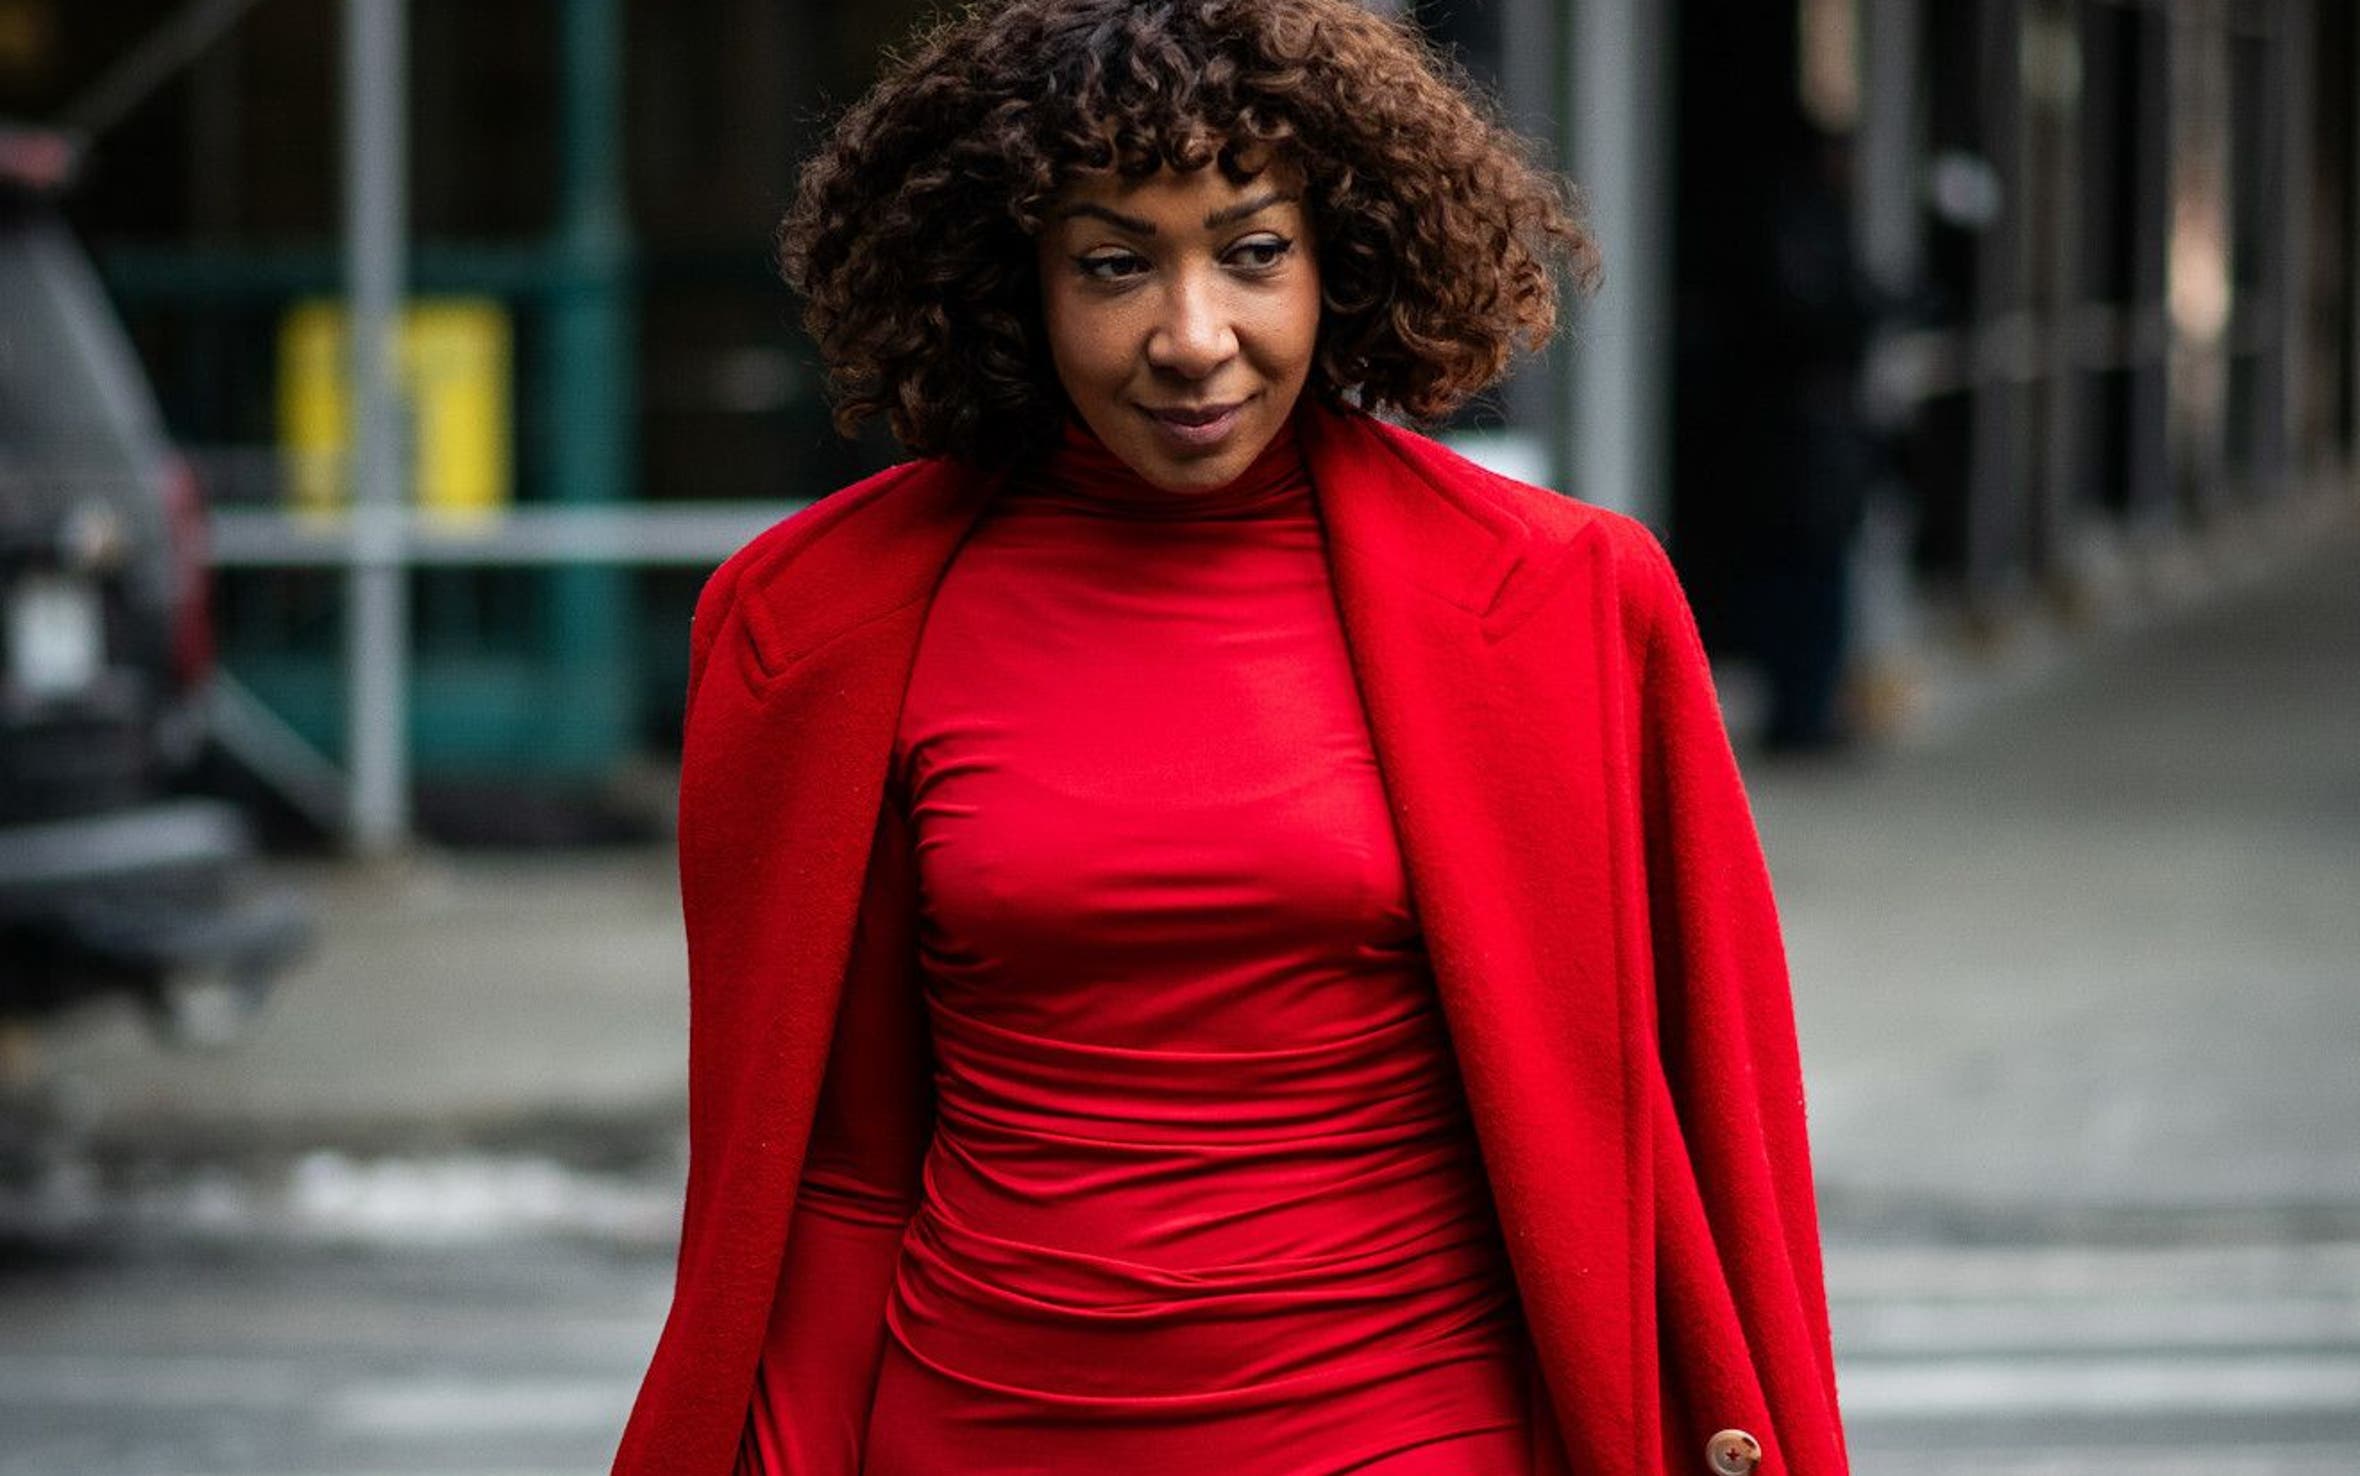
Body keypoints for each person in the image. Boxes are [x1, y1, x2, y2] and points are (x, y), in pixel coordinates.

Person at [615, 3, 1847, 1474]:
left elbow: (1706, 1134)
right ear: (1016, 282)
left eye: (1253, 253)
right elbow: (836, 1172)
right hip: (977, 1433)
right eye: (1116, 264)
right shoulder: (825, 624)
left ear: (1345, 258)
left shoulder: (1564, 601)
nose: (1193, 339)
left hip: (1416, 1432)